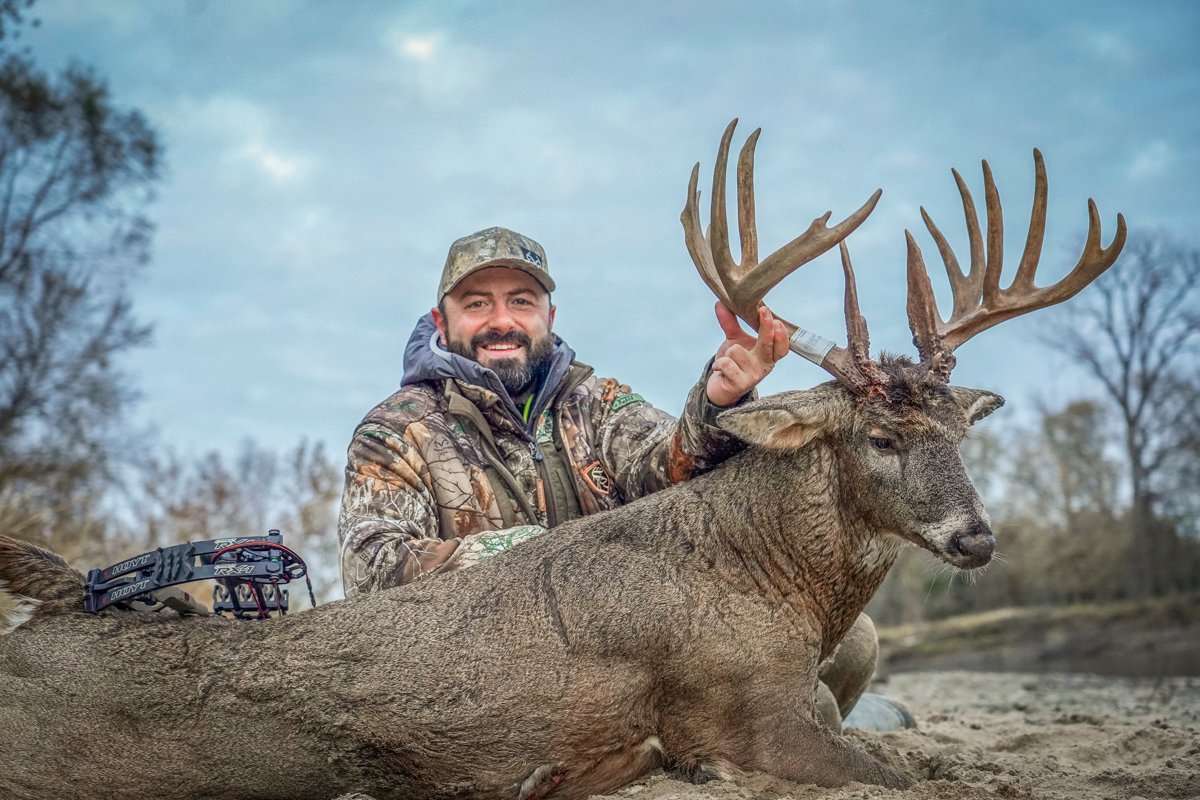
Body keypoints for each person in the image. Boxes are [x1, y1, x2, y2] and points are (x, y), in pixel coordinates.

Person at [335, 225, 906, 731]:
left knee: (853, 640)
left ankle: (806, 724)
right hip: (493, 664)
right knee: (813, 713)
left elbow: (669, 466)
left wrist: (720, 398)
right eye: (478, 304)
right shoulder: (398, 429)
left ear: (548, 317)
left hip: (629, 645)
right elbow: (374, 570)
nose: (502, 320)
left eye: (522, 301)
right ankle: (820, 725)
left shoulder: (597, 404)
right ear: (443, 321)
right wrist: (555, 555)